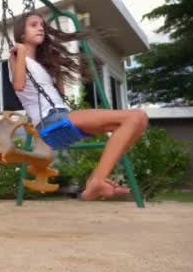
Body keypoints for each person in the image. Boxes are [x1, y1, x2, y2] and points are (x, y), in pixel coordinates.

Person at [8, 12, 148, 201]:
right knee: (133, 116)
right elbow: (18, 85)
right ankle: (97, 181)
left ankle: (96, 179)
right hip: (50, 121)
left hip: (61, 116)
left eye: (41, 25)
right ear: (21, 33)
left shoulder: (39, 64)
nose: (40, 28)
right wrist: (22, 52)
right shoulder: (17, 56)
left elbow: (53, 93)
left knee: (139, 121)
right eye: (33, 25)